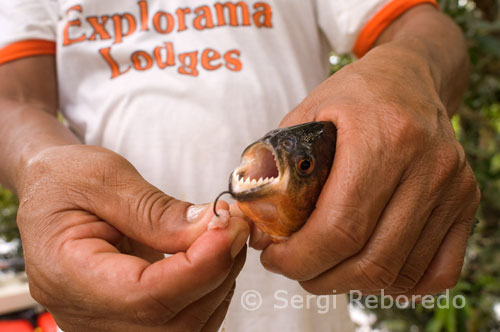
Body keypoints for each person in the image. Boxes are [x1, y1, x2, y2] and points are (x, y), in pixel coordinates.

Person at [0, 0, 480, 331]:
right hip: (108, 294)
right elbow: (14, 100)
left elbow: (425, 28)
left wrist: (411, 70)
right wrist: (40, 163)